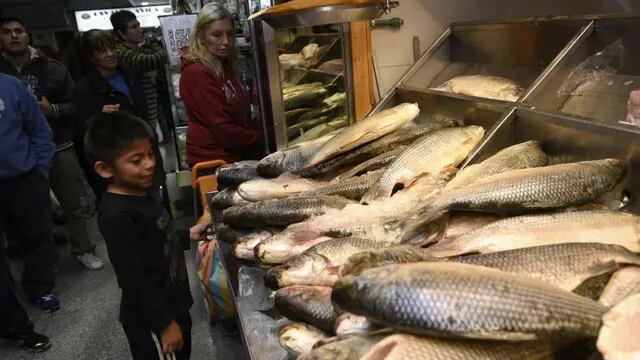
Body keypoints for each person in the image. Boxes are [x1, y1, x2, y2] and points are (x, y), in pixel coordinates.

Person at [86, 111, 193, 360]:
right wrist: (164, 324)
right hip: (153, 320)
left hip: (172, 302)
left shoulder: (140, 193)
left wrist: (190, 233)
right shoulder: (116, 216)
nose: (149, 164)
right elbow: (132, 277)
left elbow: (158, 235)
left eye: (151, 154)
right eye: (136, 160)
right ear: (104, 169)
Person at [0, 17, 104, 271]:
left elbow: (77, 106)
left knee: (73, 204)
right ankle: (45, 261)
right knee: (31, 212)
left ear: (28, 36)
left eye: (19, 31)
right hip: (16, 155)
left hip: (58, 145)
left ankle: (83, 249)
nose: (14, 36)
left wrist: (53, 110)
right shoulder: (2, 74)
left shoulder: (53, 68)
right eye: (7, 32)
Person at [71, 29, 167, 205]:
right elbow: (83, 133)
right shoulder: (86, 89)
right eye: (101, 51)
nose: (109, 54)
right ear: (90, 57)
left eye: (112, 48)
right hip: (122, 163)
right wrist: (100, 118)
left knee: (157, 203)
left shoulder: (129, 73)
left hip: (145, 146)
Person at [0, 73, 60, 322]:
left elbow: (38, 128)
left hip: (23, 175)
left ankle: (39, 288)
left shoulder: (9, 85)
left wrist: (42, 171)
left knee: (38, 234)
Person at [179, 3, 263, 167]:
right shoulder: (197, 73)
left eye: (230, 34)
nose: (226, 41)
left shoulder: (224, 65)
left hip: (234, 155)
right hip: (214, 162)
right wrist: (264, 135)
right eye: (217, 35)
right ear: (201, 36)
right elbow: (225, 131)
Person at [110, 10, 169, 141]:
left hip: (147, 112)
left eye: (138, 25)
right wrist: (154, 43)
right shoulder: (122, 52)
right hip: (139, 113)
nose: (140, 30)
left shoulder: (134, 49)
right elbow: (157, 59)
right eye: (133, 27)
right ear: (121, 33)